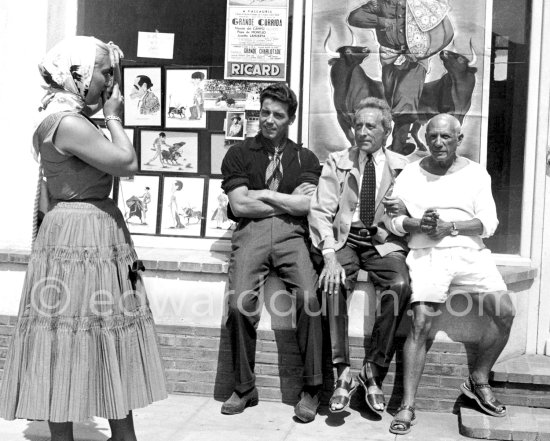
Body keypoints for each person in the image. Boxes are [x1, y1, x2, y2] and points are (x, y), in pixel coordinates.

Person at [0, 36, 167, 441]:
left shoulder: (67, 117)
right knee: (67, 335)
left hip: (91, 233)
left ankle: (121, 434)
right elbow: (127, 163)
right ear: (78, 75)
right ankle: (74, 436)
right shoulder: (67, 123)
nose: (111, 82)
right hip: (78, 236)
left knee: (105, 330)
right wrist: (113, 117)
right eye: (105, 73)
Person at [383, 113, 515, 435]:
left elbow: (489, 223)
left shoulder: (475, 174)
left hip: (470, 251)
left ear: (459, 139)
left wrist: (450, 226)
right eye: (433, 137)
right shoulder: (412, 174)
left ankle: (478, 378)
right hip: (427, 253)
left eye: (446, 137)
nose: (439, 143)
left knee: (506, 312)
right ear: (426, 140)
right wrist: (417, 224)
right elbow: (393, 220)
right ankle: (407, 405)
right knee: (421, 321)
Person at [220, 83, 324, 422]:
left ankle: (311, 389)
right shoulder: (238, 154)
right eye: (264, 112)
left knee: (310, 298)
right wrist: (286, 202)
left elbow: (308, 204)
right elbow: (239, 204)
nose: (269, 120)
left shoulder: (305, 158)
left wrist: (263, 193)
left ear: (290, 118)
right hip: (250, 234)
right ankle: (245, 387)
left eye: (278, 115)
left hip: (293, 236)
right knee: (238, 305)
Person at [308, 97, 411, 415]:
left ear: (386, 129)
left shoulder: (403, 167)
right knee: (332, 285)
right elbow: (320, 211)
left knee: (400, 285)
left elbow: (414, 211)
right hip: (345, 241)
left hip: (382, 242)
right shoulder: (337, 162)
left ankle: (373, 371)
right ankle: (343, 374)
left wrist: (406, 210)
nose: (363, 131)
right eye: (358, 125)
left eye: (371, 125)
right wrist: (329, 255)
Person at [348, 0, 454, 154]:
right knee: (392, 104)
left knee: (405, 106)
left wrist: (425, 52)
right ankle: (395, 147)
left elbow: (448, 32)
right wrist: (383, 21)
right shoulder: (380, 4)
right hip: (389, 61)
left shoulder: (426, 2)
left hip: (415, 62)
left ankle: (396, 152)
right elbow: (354, 18)